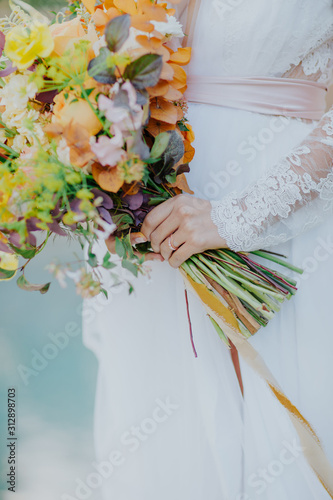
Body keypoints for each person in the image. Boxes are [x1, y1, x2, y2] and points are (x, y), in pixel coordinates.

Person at [83, 1, 333, 498]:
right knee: (168, 435)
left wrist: (239, 217)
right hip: (152, 222)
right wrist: (114, 193)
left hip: (284, 222)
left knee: (282, 426)